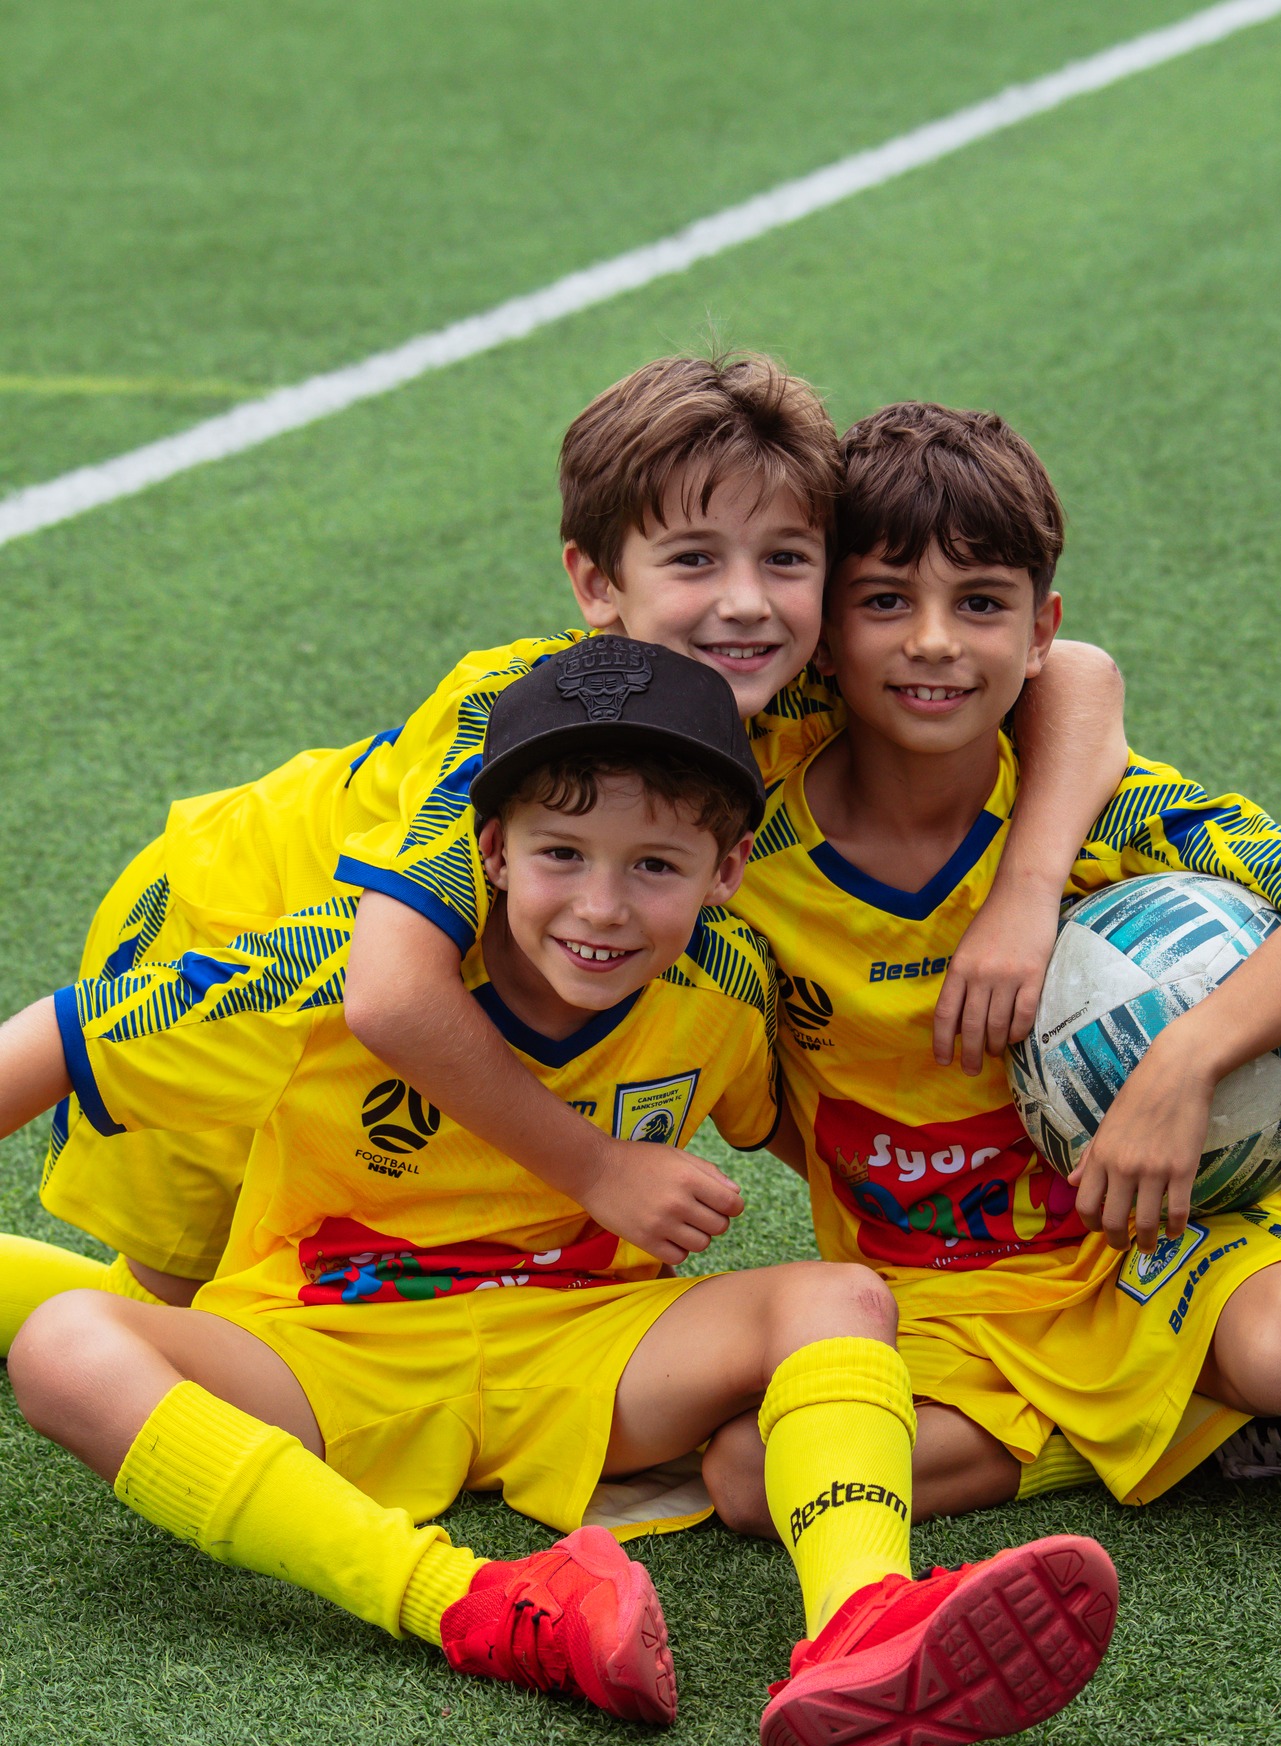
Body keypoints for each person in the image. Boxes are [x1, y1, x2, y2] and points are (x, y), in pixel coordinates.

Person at [0, 646, 1118, 1746]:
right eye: (562, 854)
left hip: (586, 1351)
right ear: (491, 849)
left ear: (729, 869)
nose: (601, 905)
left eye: (655, 865)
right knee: (67, 1346)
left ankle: (865, 1614)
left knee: (837, 1296)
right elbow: (51, 1038)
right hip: (326, 1350)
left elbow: (817, 1134)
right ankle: (474, 1603)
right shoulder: (318, 971)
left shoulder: (729, 988)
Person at [5, 352, 1127, 1334]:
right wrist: (599, 1170)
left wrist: (1025, 894)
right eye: (695, 560)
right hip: (228, 928)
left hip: (374, 994)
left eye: (785, 560)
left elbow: (1075, 674)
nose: (746, 603)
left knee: (284, 1315)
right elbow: (389, 993)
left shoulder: (800, 685)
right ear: (596, 583)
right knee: (183, 1310)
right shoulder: (527, 714)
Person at [701, 401, 1281, 1530]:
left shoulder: (1108, 811)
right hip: (927, 1296)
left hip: (1150, 1256)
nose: (933, 641)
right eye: (883, 601)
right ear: (826, 628)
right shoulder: (744, 843)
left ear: (1039, 626)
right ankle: (1205, 1429)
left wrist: (1179, 1067)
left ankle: (1226, 1390)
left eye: (980, 603)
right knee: (755, 1479)